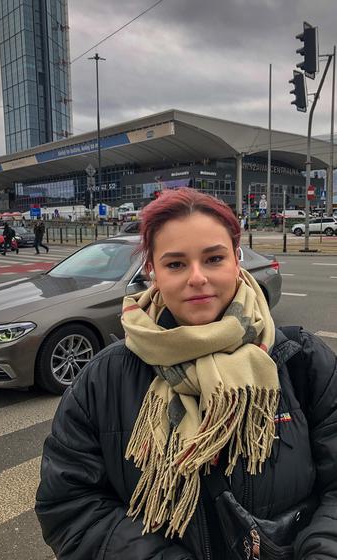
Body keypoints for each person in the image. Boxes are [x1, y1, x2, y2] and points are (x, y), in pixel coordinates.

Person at [36, 188, 337, 560]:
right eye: (176, 264)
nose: (197, 277)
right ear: (153, 272)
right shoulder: (104, 378)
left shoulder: (301, 361)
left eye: (213, 258)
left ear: (236, 261)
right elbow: (70, 507)